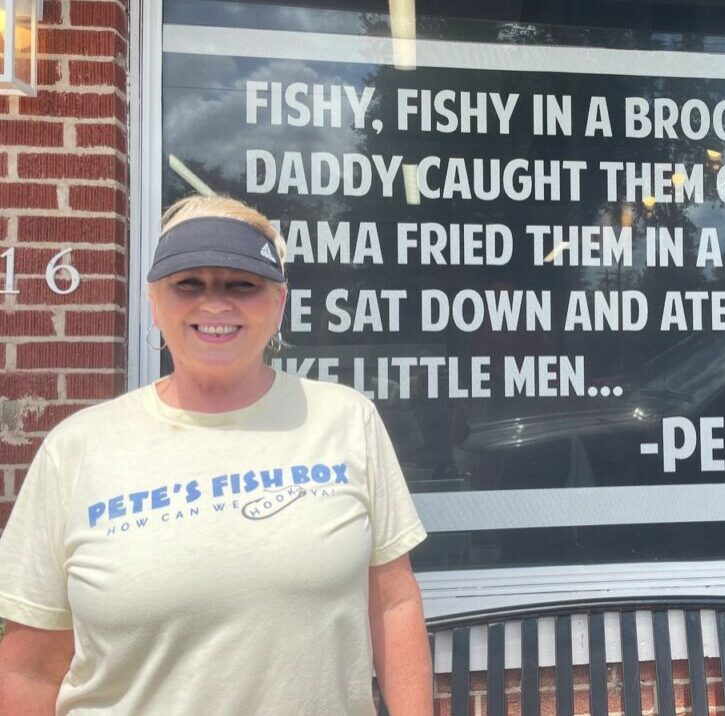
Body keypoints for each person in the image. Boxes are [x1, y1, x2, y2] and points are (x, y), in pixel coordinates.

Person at [0, 195, 433, 715]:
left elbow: (393, 601)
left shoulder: (346, 420)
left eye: (241, 284)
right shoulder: (76, 450)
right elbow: (30, 666)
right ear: (155, 302)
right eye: (189, 284)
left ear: (278, 303)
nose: (214, 304)